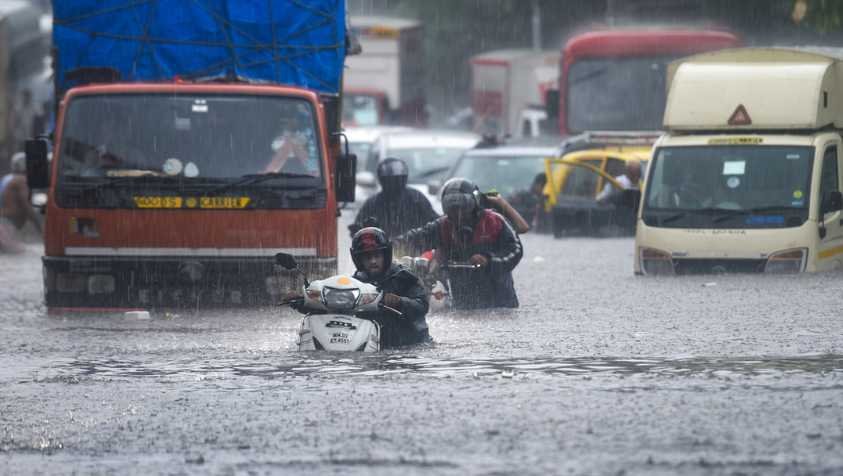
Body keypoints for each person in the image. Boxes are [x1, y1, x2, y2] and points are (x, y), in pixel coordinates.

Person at [396, 178, 523, 310]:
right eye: (452, 208)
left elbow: (515, 250)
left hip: (500, 302)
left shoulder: (494, 221)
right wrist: (386, 248)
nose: (458, 214)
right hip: (462, 302)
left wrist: (488, 260)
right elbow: (413, 239)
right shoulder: (442, 226)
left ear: (475, 204)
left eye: (463, 207)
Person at [350, 158, 438, 238]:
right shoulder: (372, 203)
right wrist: (360, 229)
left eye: (398, 180)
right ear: (383, 180)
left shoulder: (416, 199)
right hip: (381, 251)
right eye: (391, 181)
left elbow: (434, 222)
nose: (395, 184)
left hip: (415, 249)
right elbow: (358, 231)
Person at [0, 152, 42, 253]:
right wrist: (39, 226)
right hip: (7, 225)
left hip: (4, 223)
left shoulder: (6, 178)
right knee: (21, 253)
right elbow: (26, 205)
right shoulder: (22, 180)